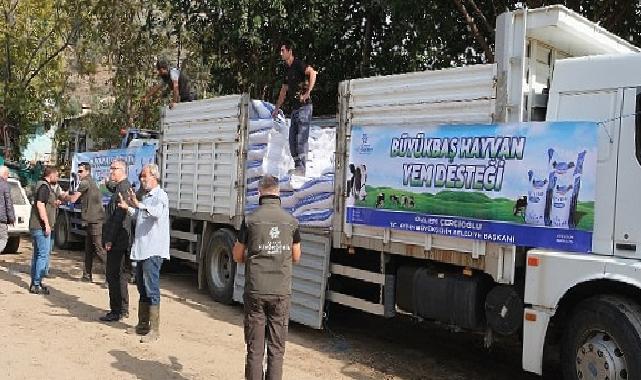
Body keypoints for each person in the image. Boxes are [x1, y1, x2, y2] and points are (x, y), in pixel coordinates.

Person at [233, 175, 302, 380]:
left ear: (259, 193)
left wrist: (255, 255)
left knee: (255, 350)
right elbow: (296, 256)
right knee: (276, 350)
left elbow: (237, 255)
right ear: (279, 192)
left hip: (256, 290)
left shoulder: (250, 220)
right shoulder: (291, 222)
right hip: (280, 291)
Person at [118, 164, 169, 343]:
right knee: (141, 287)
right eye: (141, 176)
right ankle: (142, 325)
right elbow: (141, 216)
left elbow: (155, 213)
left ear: (154, 176)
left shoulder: (160, 196)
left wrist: (138, 204)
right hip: (141, 249)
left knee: (151, 288)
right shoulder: (146, 197)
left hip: (153, 250)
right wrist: (129, 207)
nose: (142, 179)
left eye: (144, 176)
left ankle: (154, 330)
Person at [271, 41, 318, 176]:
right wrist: (276, 108)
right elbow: (283, 90)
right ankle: (298, 166)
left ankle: (302, 168)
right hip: (295, 108)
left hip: (305, 107)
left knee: (301, 139)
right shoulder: (286, 69)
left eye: (283, 50)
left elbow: (312, 73)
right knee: (292, 140)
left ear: (290, 51)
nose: (281, 53)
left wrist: (308, 92)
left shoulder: (298, 64)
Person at [100, 159, 132, 321]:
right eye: (111, 168)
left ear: (122, 170)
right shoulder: (122, 187)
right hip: (119, 239)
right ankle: (122, 308)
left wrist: (109, 240)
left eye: (114, 168)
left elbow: (118, 217)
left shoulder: (123, 189)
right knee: (120, 276)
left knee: (113, 275)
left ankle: (116, 311)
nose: (111, 171)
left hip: (118, 240)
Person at [66, 162, 106, 282]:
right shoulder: (91, 182)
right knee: (88, 248)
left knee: (99, 249)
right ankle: (87, 275)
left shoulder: (85, 182)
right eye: (78, 171)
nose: (79, 173)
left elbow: (73, 199)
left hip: (95, 220)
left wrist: (62, 196)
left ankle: (111, 276)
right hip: (91, 219)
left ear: (87, 171)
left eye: (81, 171)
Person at [28, 167, 60, 295]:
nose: (57, 178)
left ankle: (36, 282)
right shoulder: (44, 187)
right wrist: (46, 224)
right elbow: (40, 204)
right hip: (40, 227)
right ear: (51, 174)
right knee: (42, 255)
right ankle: (36, 283)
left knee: (37, 255)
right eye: (56, 175)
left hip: (36, 226)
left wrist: (54, 203)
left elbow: (44, 203)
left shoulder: (44, 187)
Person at [0, 166, 15, 253]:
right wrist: (12, 218)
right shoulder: (5, 185)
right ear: (5, 175)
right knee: (3, 238)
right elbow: (8, 204)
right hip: (1, 219)